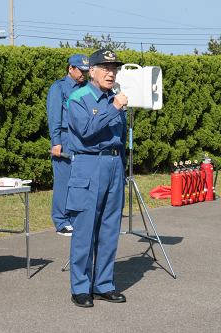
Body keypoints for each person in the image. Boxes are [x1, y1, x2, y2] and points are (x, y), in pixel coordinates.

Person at [65, 49, 128, 307]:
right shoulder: (78, 97)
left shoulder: (116, 98)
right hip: (89, 165)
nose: (110, 72)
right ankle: (80, 287)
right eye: (104, 67)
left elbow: (121, 138)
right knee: (84, 229)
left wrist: (121, 168)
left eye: (113, 68)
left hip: (114, 165)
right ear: (91, 71)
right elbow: (86, 130)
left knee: (110, 229)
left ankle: (103, 284)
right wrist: (114, 107)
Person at [47, 54, 89, 236]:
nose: (84, 74)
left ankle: (74, 218)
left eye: (86, 71)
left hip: (81, 139)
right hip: (64, 139)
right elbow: (55, 116)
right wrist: (56, 142)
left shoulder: (87, 88)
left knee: (79, 181)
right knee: (63, 181)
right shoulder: (59, 88)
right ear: (70, 68)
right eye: (81, 70)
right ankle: (61, 220)